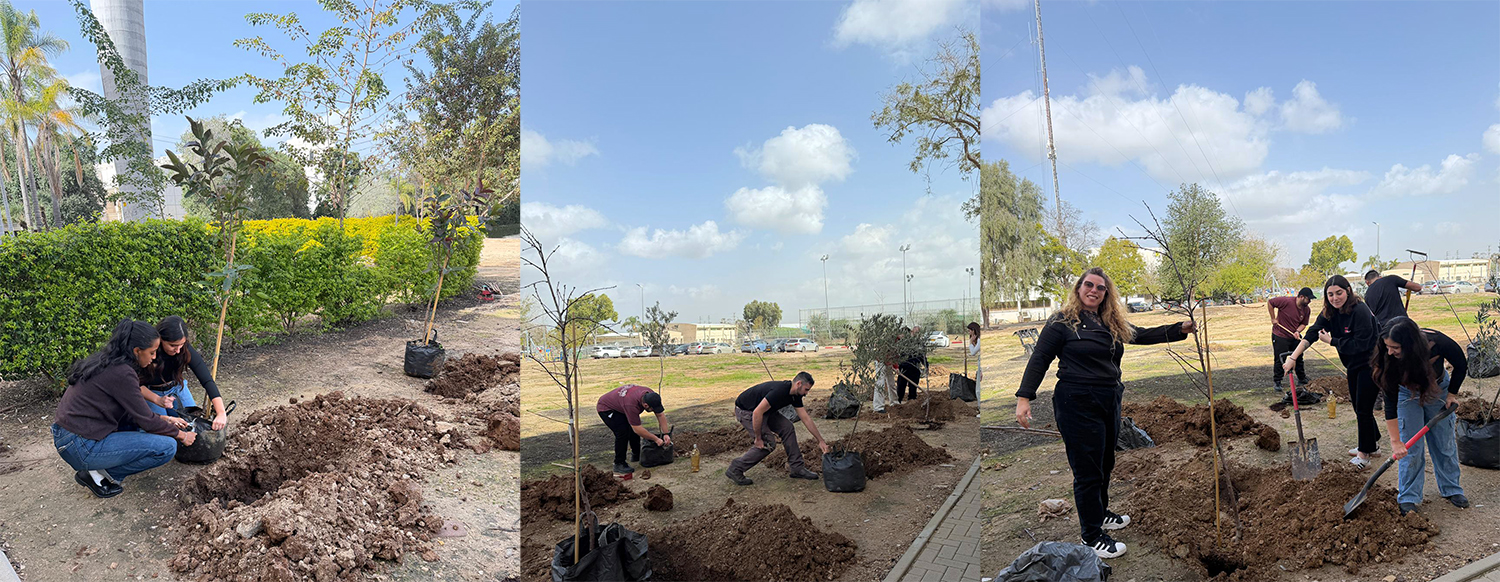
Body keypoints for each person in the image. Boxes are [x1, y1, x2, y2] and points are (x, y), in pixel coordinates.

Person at [1014, 267, 1196, 558]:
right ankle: (1091, 536)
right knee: (1088, 470)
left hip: (1109, 399)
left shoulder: (1109, 321)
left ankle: (1099, 513)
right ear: (1078, 288)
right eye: (1089, 285)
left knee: (1105, 461)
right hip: (1076, 401)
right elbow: (1039, 359)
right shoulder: (1061, 322)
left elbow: (1140, 335)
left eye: (1101, 288)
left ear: (1106, 294)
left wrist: (1177, 329)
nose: (1094, 291)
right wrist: (1024, 398)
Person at [51, 320, 198, 498]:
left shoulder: (110, 363)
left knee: (145, 429)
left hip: (70, 437)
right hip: (80, 445)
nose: (153, 357)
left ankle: (96, 469)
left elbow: (135, 414)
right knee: (167, 447)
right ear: (137, 351)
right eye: (151, 353)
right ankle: (100, 475)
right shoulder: (123, 373)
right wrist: (182, 436)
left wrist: (167, 419)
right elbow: (146, 421)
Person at [1372, 317, 1469, 515]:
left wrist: (1452, 394)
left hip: (1438, 390)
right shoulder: (1388, 357)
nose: (1390, 351)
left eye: (1395, 347)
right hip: (1406, 393)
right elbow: (1390, 403)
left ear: (1410, 344)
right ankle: (1408, 497)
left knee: (1444, 442)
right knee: (1410, 447)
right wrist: (1395, 441)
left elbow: (1461, 364)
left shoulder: (1438, 342)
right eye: (1387, 346)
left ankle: (1451, 489)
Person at [1285, 275, 1381, 468]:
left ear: (1348, 291)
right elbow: (1313, 332)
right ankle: (1373, 444)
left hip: (1372, 363)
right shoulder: (1330, 312)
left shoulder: (1360, 310)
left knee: (1362, 408)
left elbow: (1361, 345)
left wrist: (1333, 342)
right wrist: (1293, 357)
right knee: (1358, 406)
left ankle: (1364, 455)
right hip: (1353, 364)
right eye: (1330, 294)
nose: (1335, 298)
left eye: (1339, 293)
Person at [725, 372, 831, 485]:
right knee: (767, 443)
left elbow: (806, 418)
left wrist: (821, 441)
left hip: (765, 411)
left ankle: (796, 468)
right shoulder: (779, 391)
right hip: (747, 411)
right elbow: (757, 413)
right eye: (806, 389)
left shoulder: (796, 395)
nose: (806, 393)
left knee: (787, 427)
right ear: (798, 384)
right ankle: (736, 468)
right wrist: (758, 437)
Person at [138, 316, 229, 430]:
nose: (178, 350)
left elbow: (206, 379)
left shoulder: (184, 350)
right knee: (161, 430)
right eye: (173, 346)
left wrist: (221, 412)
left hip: (176, 388)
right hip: (150, 392)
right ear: (160, 339)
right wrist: (157, 399)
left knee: (192, 425)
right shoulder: (148, 351)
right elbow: (135, 385)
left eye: (181, 344)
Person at [596, 384, 672, 475]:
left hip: (621, 405)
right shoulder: (631, 404)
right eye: (652, 409)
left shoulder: (650, 394)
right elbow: (637, 429)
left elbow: (660, 415)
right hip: (606, 408)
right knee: (622, 432)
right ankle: (619, 463)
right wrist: (655, 439)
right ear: (645, 405)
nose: (653, 411)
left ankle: (636, 454)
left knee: (631, 428)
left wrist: (666, 434)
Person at [1269, 288, 1316, 393]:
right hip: (1280, 335)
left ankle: (1301, 378)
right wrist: (1273, 318)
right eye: (1309, 299)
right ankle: (1277, 381)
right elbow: (1270, 302)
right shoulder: (1286, 301)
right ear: (1302, 297)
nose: (1310, 302)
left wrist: (1298, 331)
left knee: (1299, 356)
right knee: (1280, 358)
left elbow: (1304, 324)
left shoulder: (1306, 309)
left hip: (1294, 336)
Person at [897, 326, 929, 403]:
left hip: (915, 367)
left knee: (913, 388)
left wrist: (926, 365)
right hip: (904, 367)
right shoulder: (902, 343)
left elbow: (922, 356)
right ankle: (898, 402)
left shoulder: (919, 343)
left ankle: (912, 403)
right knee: (901, 387)